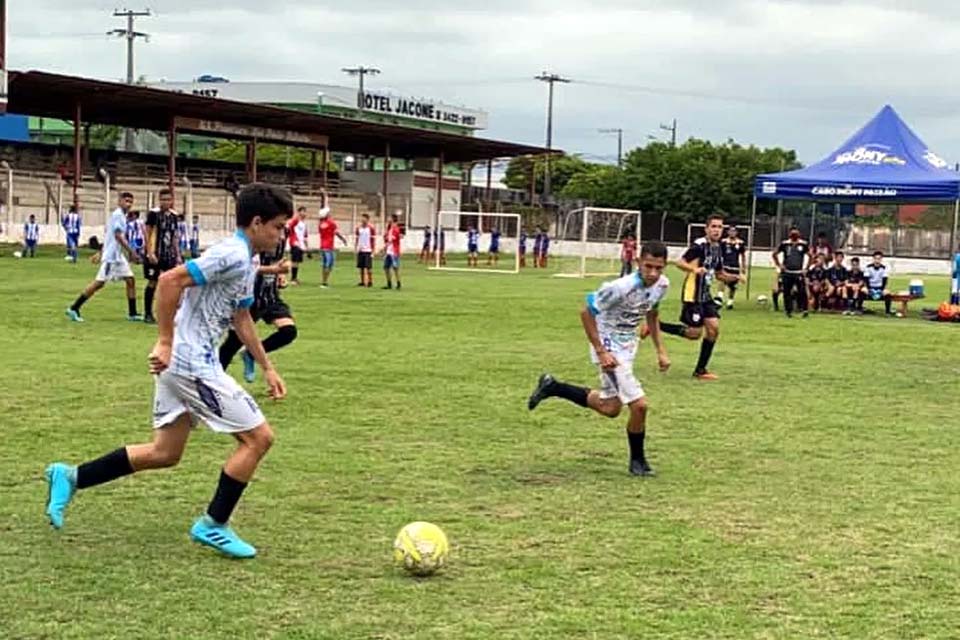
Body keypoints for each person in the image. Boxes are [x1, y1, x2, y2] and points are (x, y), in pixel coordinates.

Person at [45, 182, 291, 560]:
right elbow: (169, 279)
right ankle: (213, 524)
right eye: (277, 227)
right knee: (259, 439)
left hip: (190, 360)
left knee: (165, 452)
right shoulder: (231, 254)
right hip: (189, 361)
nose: (281, 235)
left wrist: (268, 367)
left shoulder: (249, 260)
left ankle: (71, 476)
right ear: (256, 223)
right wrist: (165, 340)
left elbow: (241, 317)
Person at [527, 241, 671, 477]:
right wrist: (601, 351)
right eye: (648, 266)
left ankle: (553, 386)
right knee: (640, 405)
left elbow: (653, 315)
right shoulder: (620, 287)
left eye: (659, 268)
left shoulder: (662, 285)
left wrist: (661, 351)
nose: (653, 273)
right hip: (608, 347)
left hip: (628, 347)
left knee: (610, 407)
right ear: (638, 263)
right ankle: (638, 462)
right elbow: (586, 312)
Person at [219, 213, 297, 384]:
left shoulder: (282, 235)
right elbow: (248, 266)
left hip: (270, 295)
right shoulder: (252, 239)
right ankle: (211, 379)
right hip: (251, 296)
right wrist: (273, 270)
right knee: (232, 345)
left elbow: (278, 260)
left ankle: (250, 354)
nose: (280, 234)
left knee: (288, 332)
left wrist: (280, 274)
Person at [653, 213, 732, 380]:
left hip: (705, 295)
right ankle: (656, 325)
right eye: (714, 226)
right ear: (706, 228)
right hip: (693, 294)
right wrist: (694, 269)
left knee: (713, 329)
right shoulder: (699, 246)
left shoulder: (719, 248)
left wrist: (735, 277)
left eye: (720, 227)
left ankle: (700, 370)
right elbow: (680, 263)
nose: (717, 230)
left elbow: (719, 274)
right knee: (694, 334)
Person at [65, 192, 142, 323]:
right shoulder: (118, 215)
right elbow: (118, 236)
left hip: (117, 256)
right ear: (119, 201)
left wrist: (101, 252)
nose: (128, 204)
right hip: (112, 257)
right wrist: (132, 252)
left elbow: (109, 237)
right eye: (126, 201)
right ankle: (74, 308)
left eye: (130, 202)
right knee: (99, 283)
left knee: (130, 280)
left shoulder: (121, 216)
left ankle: (132, 313)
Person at [143, 188, 182, 325]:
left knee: (171, 283)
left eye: (168, 199)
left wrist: (177, 255)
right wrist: (150, 252)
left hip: (168, 254)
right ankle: (148, 313)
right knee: (152, 281)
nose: (166, 202)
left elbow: (174, 236)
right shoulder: (153, 214)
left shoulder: (173, 216)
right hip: (155, 253)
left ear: (172, 201)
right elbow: (147, 233)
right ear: (159, 200)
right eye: (163, 199)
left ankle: (168, 313)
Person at [772, 227, 810, 318]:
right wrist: (779, 265)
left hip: (798, 272)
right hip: (787, 272)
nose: (794, 234)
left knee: (802, 291)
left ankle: (804, 309)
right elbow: (774, 254)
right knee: (787, 292)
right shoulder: (785, 244)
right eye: (792, 232)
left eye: (796, 232)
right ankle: (788, 310)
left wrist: (806, 268)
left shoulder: (803, 244)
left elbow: (811, 256)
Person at [317, 202, 347, 288]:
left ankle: (324, 281)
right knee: (329, 264)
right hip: (329, 246)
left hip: (323, 245)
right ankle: (325, 282)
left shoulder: (320, 224)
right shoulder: (331, 223)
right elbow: (336, 232)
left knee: (324, 264)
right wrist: (343, 239)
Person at [719, 226, 746, 309]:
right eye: (730, 231)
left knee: (733, 286)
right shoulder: (723, 242)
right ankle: (719, 298)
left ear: (736, 233)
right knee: (723, 280)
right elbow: (719, 253)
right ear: (728, 232)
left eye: (734, 231)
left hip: (735, 266)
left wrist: (743, 266)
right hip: (725, 264)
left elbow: (743, 255)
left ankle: (730, 302)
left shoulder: (740, 243)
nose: (732, 233)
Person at [864, 250, 893, 315]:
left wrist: (882, 290)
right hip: (870, 286)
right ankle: (859, 309)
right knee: (863, 290)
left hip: (880, 287)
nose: (877, 261)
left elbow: (885, 280)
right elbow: (866, 279)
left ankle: (887, 311)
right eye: (876, 259)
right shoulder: (868, 267)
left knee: (887, 293)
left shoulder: (884, 268)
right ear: (873, 259)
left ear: (881, 259)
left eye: (879, 259)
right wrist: (868, 289)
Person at [286, 206, 308, 285]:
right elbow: (289, 227)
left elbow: (305, 236)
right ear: (299, 212)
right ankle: (292, 279)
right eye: (302, 211)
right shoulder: (296, 220)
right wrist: (292, 239)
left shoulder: (304, 224)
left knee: (297, 261)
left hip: (300, 244)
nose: (304, 213)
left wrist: (306, 246)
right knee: (294, 261)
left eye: (305, 212)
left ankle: (294, 277)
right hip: (295, 243)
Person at [382, 213, 403, 290]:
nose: (388, 219)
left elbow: (392, 240)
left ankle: (398, 283)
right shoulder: (389, 229)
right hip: (388, 251)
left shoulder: (396, 229)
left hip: (394, 251)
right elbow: (386, 238)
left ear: (393, 219)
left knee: (395, 267)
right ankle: (389, 283)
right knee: (386, 267)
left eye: (389, 218)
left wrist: (384, 247)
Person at [355, 213, 376, 287]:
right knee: (361, 267)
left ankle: (370, 281)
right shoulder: (358, 228)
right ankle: (362, 281)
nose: (362, 220)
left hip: (368, 250)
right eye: (362, 218)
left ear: (367, 219)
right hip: (361, 249)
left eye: (364, 218)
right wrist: (356, 247)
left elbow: (373, 240)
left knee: (368, 267)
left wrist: (373, 250)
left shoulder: (371, 228)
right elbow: (357, 238)